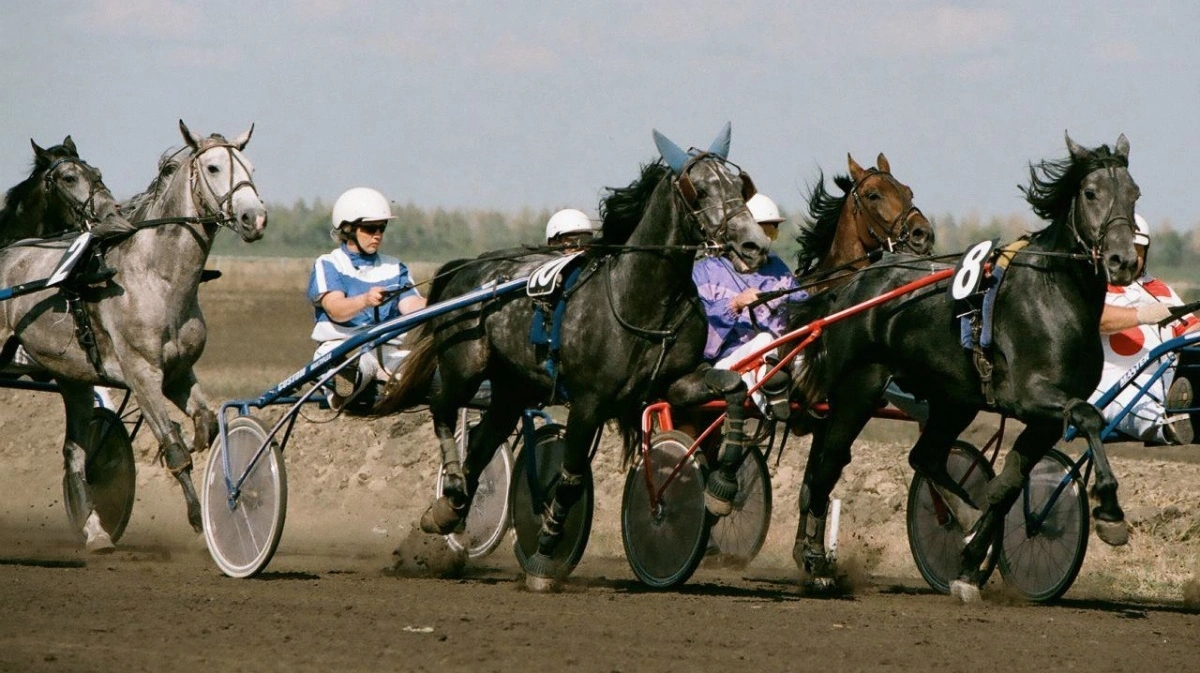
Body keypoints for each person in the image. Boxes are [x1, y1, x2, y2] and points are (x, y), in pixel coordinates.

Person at [308, 187, 427, 409]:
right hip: (343, 349)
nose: (378, 235)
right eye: (370, 228)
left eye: (382, 228)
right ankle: (341, 385)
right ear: (348, 228)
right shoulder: (329, 264)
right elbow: (335, 309)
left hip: (389, 352)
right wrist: (365, 300)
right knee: (361, 365)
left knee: (428, 364)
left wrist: (444, 296)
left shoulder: (395, 266)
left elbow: (411, 305)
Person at [691, 193, 806, 420]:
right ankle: (772, 398)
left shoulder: (778, 269)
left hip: (777, 356)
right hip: (725, 366)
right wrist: (735, 304)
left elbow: (803, 307)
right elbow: (699, 336)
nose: (766, 241)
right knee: (764, 340)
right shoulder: (705, 272)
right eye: (762, 232)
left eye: (772, 232)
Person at [1089, 213, 1198, 445]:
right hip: (1113, 384)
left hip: (1168, 383)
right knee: (1135, 403)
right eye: (1124, 249)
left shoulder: (1160, 289)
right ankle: (1167, 427)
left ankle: (1177, 410)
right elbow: (1094, 319)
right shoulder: (1092, 285)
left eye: (1137, 250)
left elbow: (1189, 327)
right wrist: (1141, 315)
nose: (1130, 257)